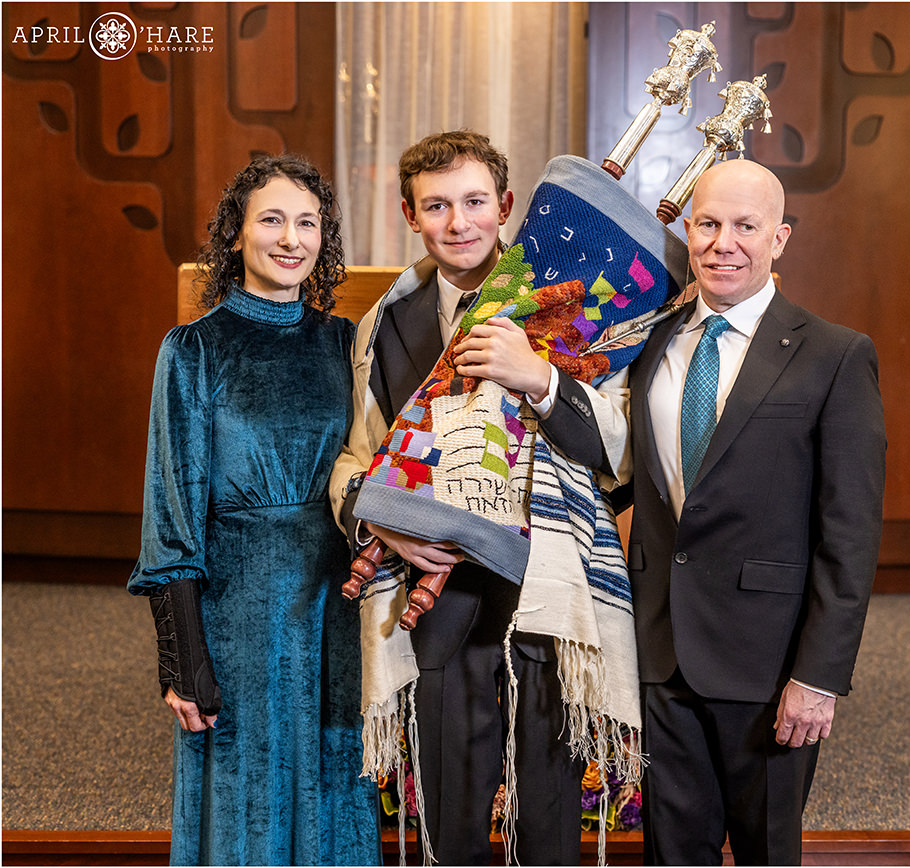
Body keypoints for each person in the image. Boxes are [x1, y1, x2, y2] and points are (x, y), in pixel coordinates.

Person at [330, 130, 633, 865]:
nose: (458, 222)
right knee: (450, 791)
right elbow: (359, 455)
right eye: (437, 206)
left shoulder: (564, 300)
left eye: (473, 202)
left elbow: (618, 454)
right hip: (440, 595)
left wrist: (538, 379)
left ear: (504, 208)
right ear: (410, 214)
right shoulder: (386, 323)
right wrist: (380, 521)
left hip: (545, 581)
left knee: (547, 798)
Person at [626, 159, 886, 865]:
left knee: (768, 852)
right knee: (671, 853)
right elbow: (622, 466)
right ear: (688, 230)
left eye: (746, 226)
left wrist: (820, 675)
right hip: (660, 650)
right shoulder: (648, 342)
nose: (723, 242)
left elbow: (850, 532)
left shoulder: (834, 356)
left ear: (780, 239)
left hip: (770, 665)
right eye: (708, 224)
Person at [128, 154, 380, 866]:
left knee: (336, 780)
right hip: (236, 614)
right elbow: (170, 510)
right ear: (235, 236)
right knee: (246, 794)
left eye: (307, 222)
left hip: (335, 603)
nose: (290, 238)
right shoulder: (193, 351)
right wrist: (182, 658)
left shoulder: (343, 342)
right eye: (271, 219)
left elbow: (375, 468)